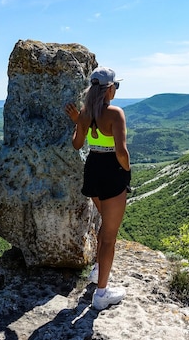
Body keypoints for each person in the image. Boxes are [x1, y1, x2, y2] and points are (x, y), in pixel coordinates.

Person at [65, 66, 131, 310]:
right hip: (112, 172)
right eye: (116, 86)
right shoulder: (115, 113)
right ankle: (101, 294)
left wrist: (78, 122)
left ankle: (96, 271)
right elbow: (122, 152)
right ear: (110, 89)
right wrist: (127, 170)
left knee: (104, 224)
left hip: (92, 169)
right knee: (109, 237)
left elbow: (76, 144)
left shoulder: (85, 113)